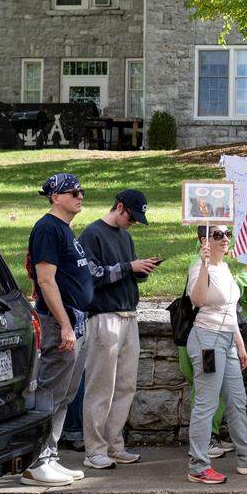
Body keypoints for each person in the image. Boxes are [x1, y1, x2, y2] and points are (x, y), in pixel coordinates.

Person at [185, 226, 247, 483]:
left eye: (226, 234)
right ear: (204, 240)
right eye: (217, 235)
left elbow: (229, 310)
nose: (225, 239)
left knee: (237, 400)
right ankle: (198, 465)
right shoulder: (198, 268)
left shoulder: (225, 268)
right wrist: (204, 264)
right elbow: (199, 300)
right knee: (206, 404)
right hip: (207, 340)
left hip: (226, 341)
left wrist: (239, 344)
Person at [22, 173, 95, 487]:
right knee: (50, 393)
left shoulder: (64, 229)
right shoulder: (47, 229)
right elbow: (46, 281)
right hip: (58, 324)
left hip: (75, 322)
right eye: (73, 192)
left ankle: (50, 456)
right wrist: (65, 325)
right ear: (54, 196)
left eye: (81, 191)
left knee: (64, 395)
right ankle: (37, 462)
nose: (80, 196)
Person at [78, 190, 158, 469]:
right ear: (119, 206)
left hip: (128, 316)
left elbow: (124, 272)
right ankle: (94, 451)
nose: (133, 223)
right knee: (101, 386)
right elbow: (90, 276)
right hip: (104, 317)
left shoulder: (125, 236)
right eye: (131, 217)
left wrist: (140, 270)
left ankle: (115, 445)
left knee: (125, 386)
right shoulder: (92, 234)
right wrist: (128, 267)